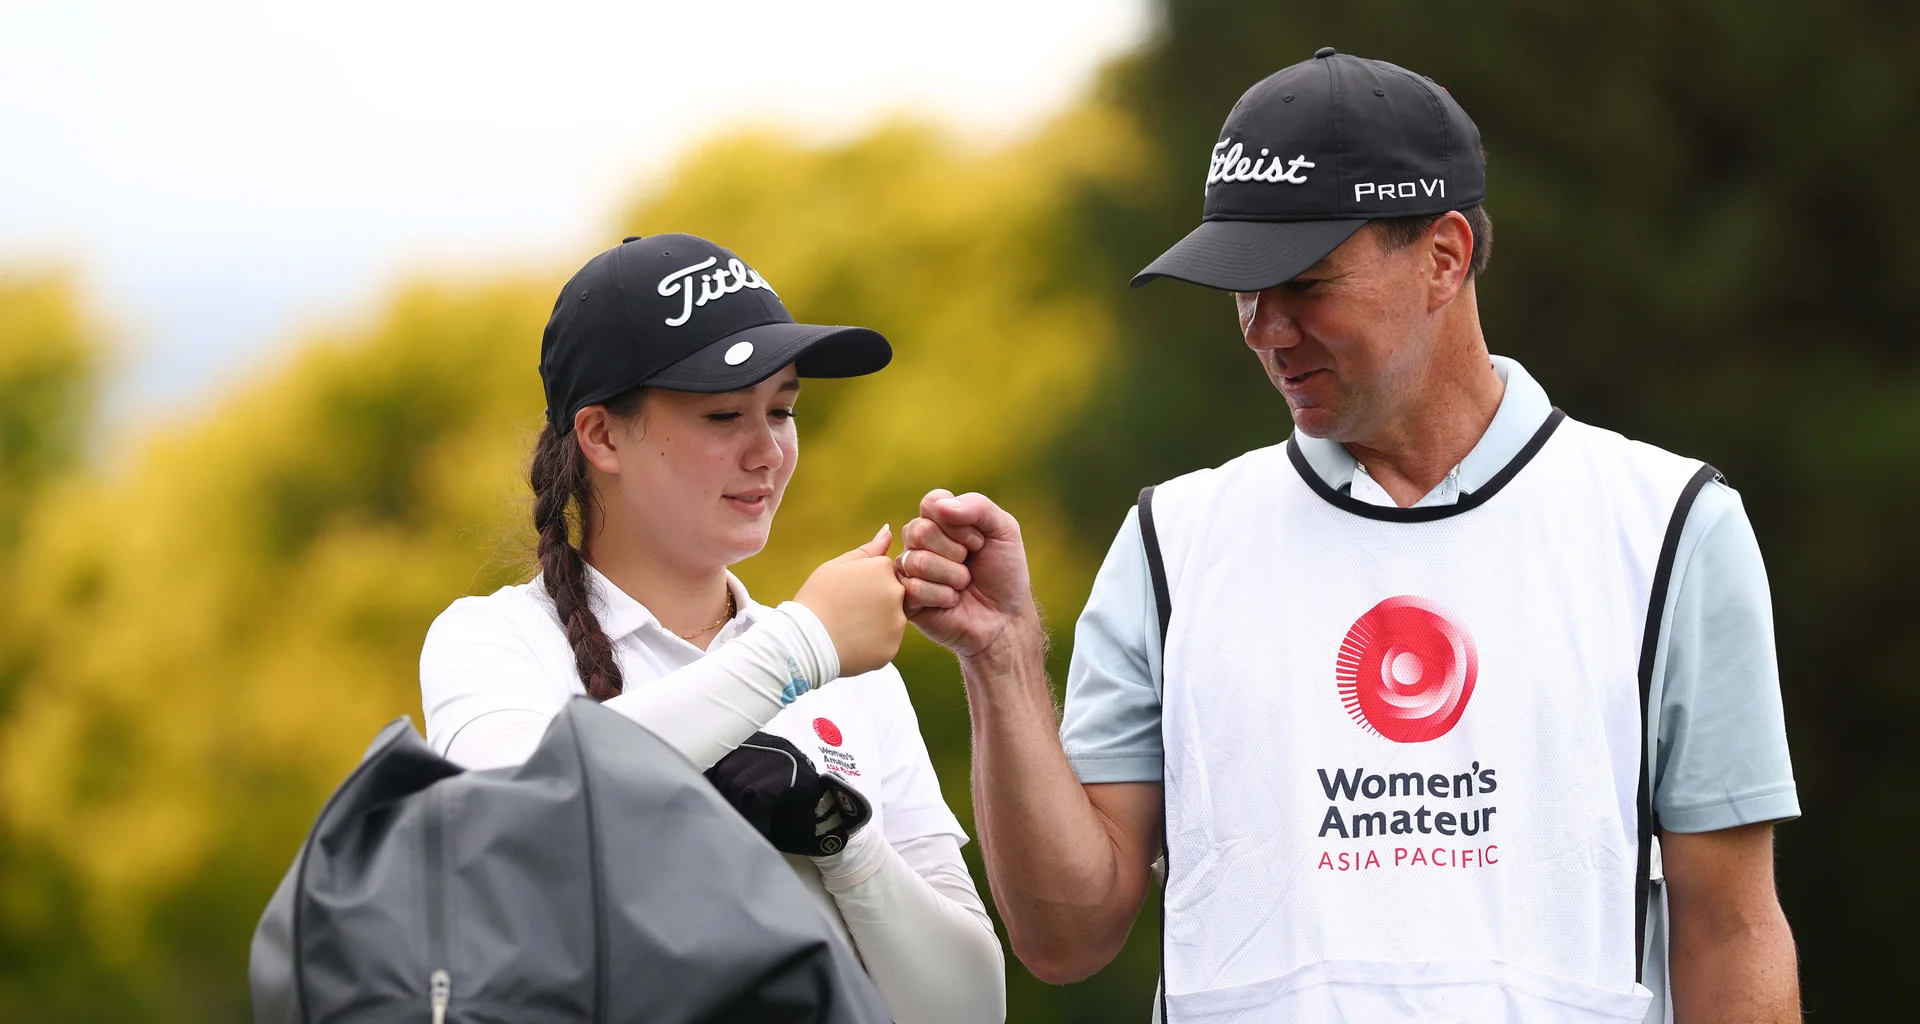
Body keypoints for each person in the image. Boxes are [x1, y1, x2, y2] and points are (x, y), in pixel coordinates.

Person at [898, 50, 1799, 1024]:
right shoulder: (1174, 541)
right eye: (1240, 290)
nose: (1265, 329)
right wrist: (1002, 663)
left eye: (1304, 283)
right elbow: (1066, 939)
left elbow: (1730, 927)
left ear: (1444, 257)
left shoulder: (1668, 527)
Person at [419, 233, 1005, 1024]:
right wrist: (804, 645)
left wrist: (844, 843)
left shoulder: (858, 677)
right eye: (725, 414)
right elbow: (517, 815)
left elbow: (969, 1009)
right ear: (600, 435)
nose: (767, 451)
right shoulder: (494, 642)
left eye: (784, 410)